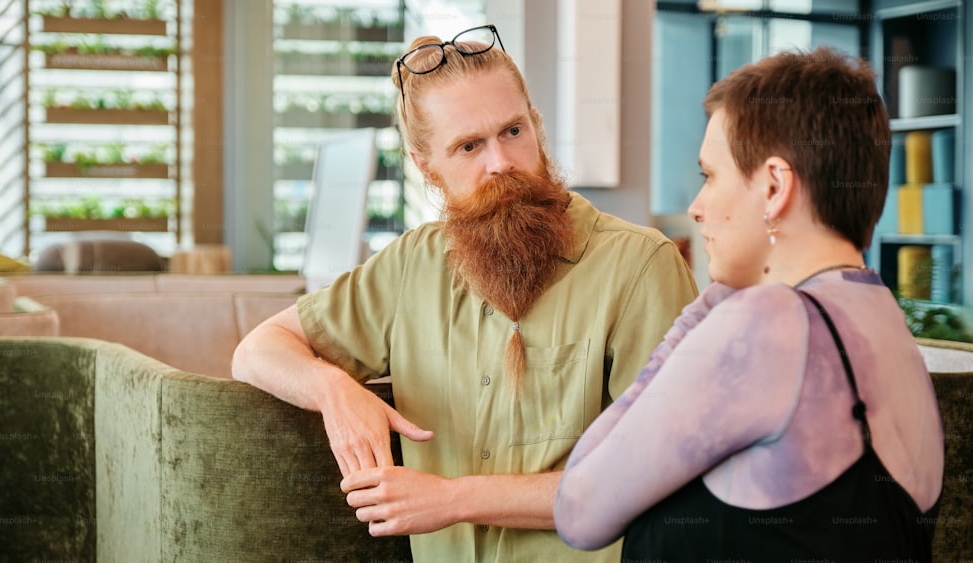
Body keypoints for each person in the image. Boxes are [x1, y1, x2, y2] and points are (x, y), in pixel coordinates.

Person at [232, 24, 698, 562]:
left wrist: (454, 499)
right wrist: (334, 390)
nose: (499, 161)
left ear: (537, 126)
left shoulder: (641, 264)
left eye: (513, 131)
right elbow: (258, 349)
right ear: (425, 165)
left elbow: (659, 469)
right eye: (469, 145)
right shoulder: (411, 265)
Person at [553, 46, 945, 561]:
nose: (696, 207)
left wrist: (700, 312)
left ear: (776, 186)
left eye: (708, 176)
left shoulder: (767, 324)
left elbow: (578, 510)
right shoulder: (884, 323)